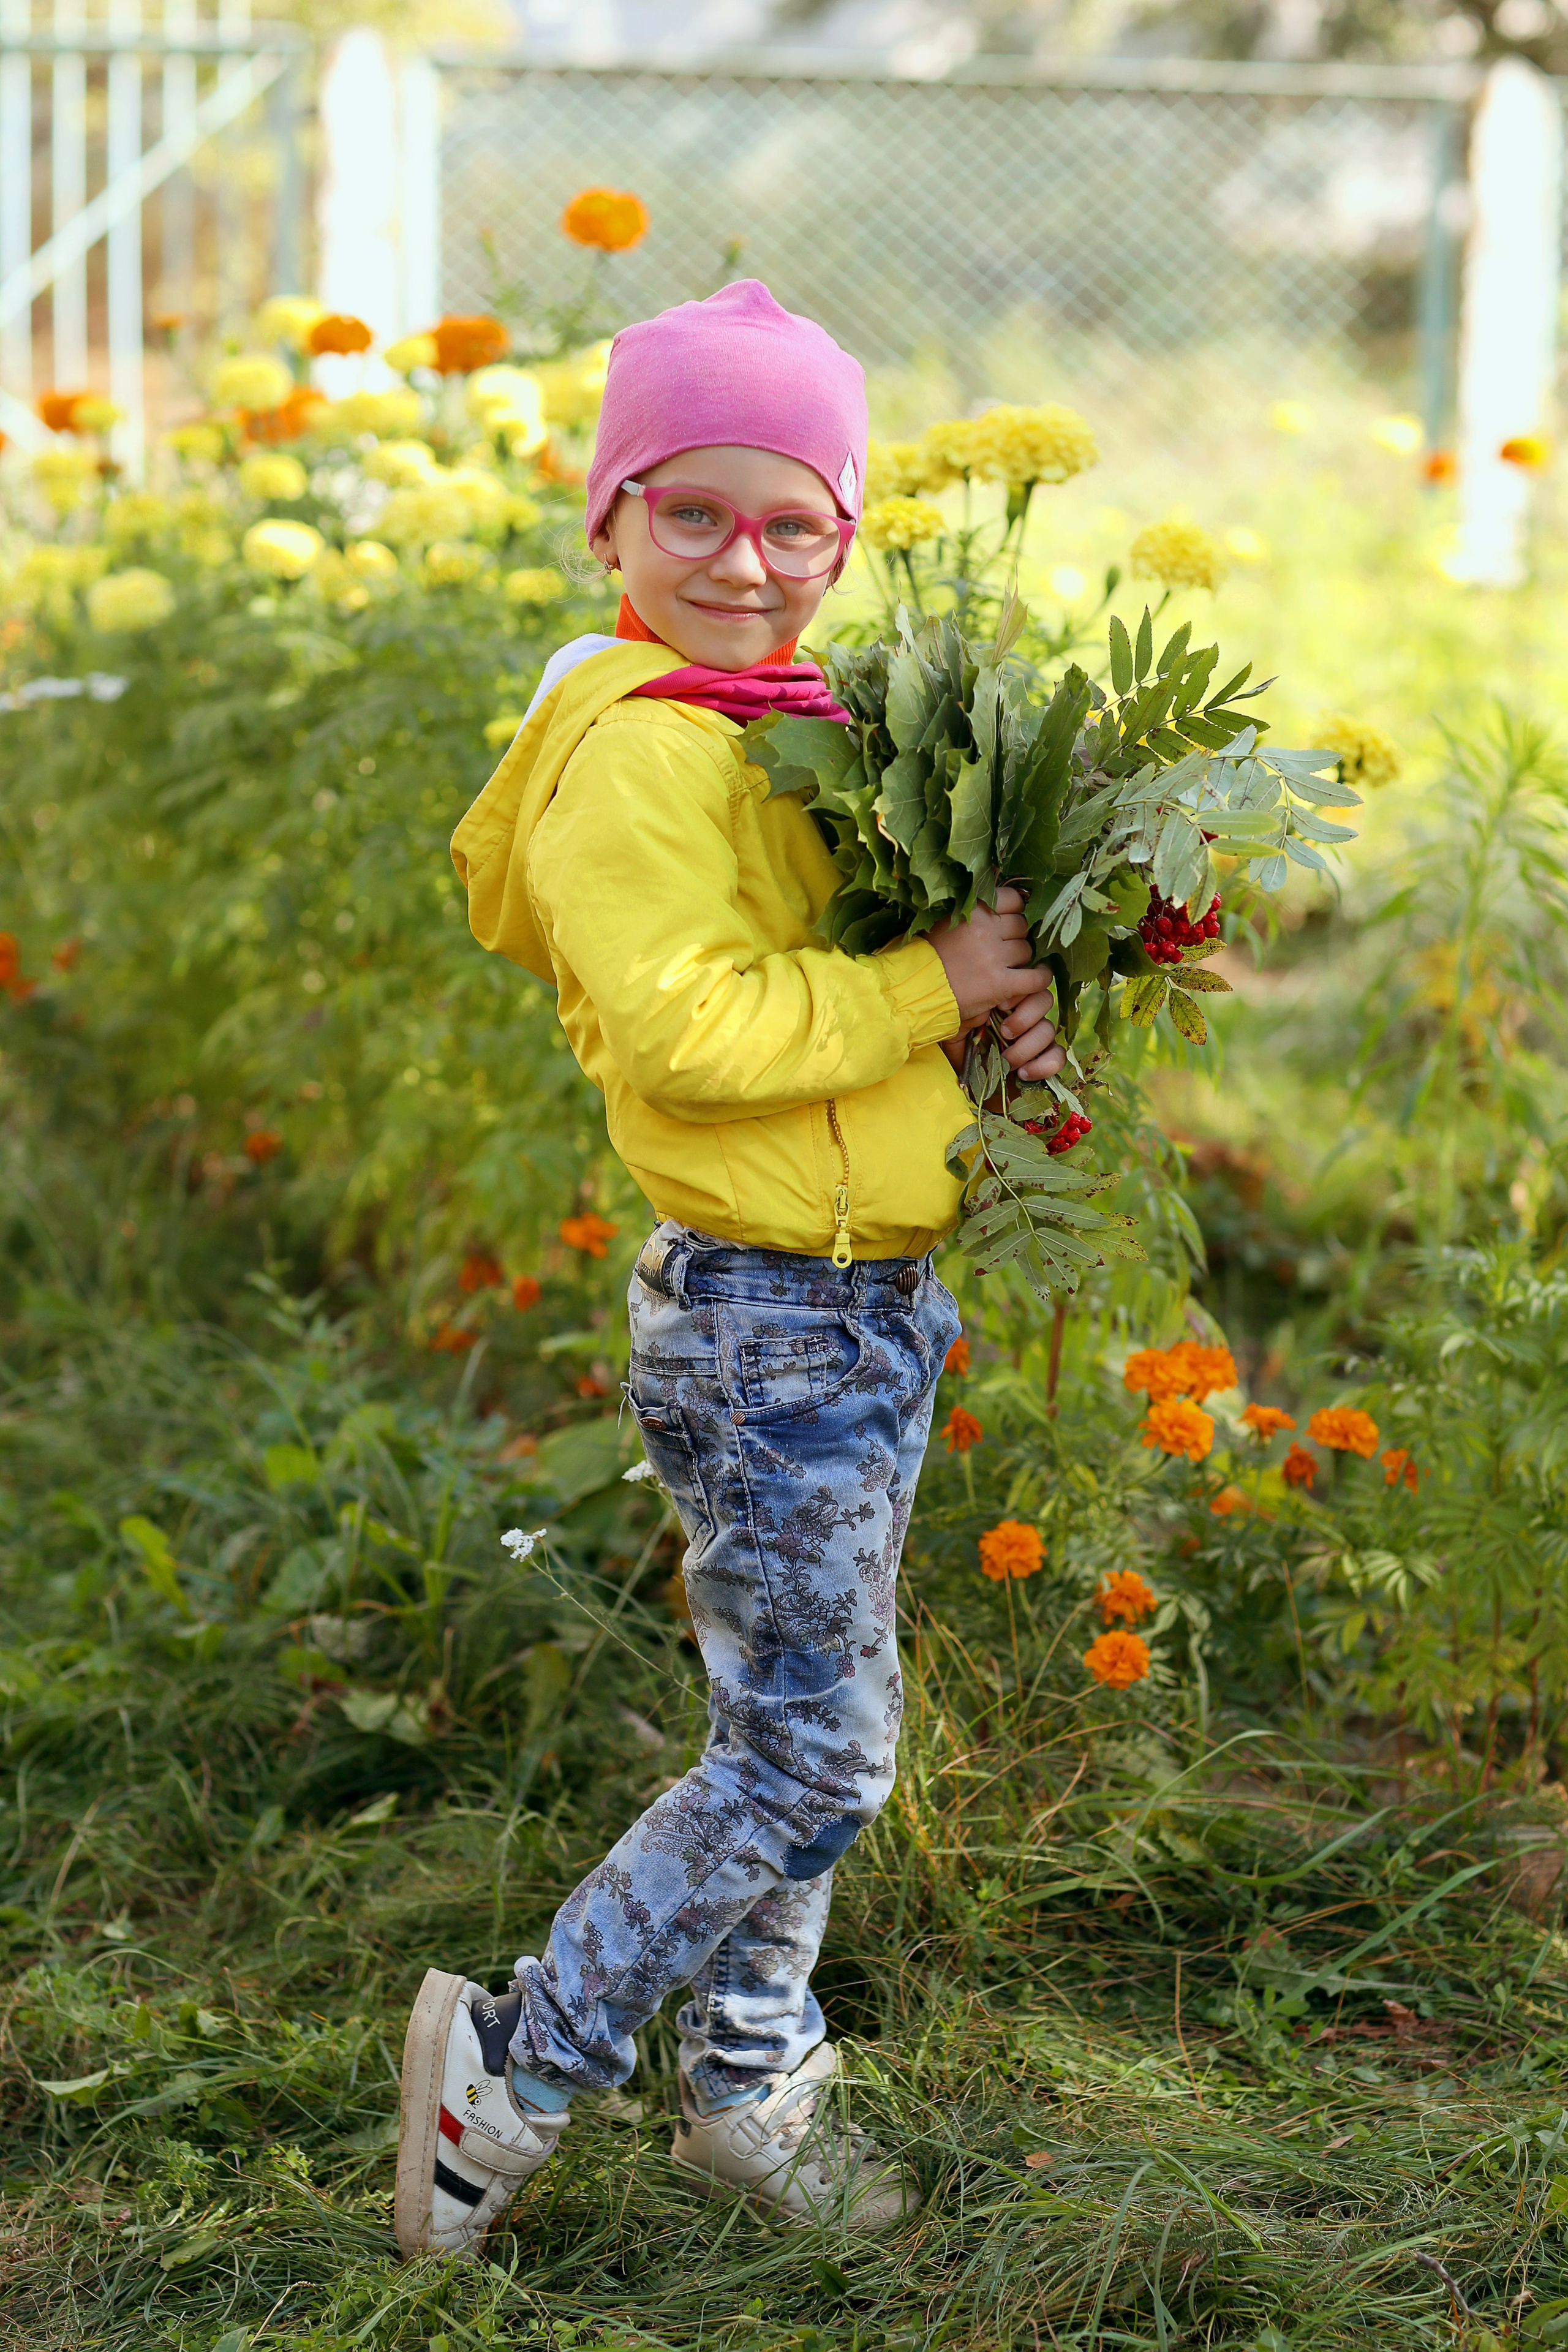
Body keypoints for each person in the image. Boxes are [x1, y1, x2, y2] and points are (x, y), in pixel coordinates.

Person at [395, 280, 1065, 2260]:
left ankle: (752, 2079)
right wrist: (918, 983)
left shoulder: (816, 736)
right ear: (607, 523)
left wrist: (1001, 1009)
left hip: (869, 1294)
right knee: (815, 1747)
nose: (743, 563)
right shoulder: (636, 753)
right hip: (766, 1318)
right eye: (690, 514)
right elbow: (698, 1030)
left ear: (848, 537)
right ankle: (512, 2068)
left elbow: (858, 1001)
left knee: (799, 1712)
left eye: (793, 524)